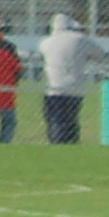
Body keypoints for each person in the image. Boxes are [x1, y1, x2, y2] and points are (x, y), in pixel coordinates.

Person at [39, 13, 94, 144]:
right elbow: (100, 54)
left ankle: (57, 143)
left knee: (55, 120)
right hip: (75, 88)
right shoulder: (80, 39)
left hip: (53, 88)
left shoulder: (46, 42)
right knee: (71, 119)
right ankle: (71, 142)